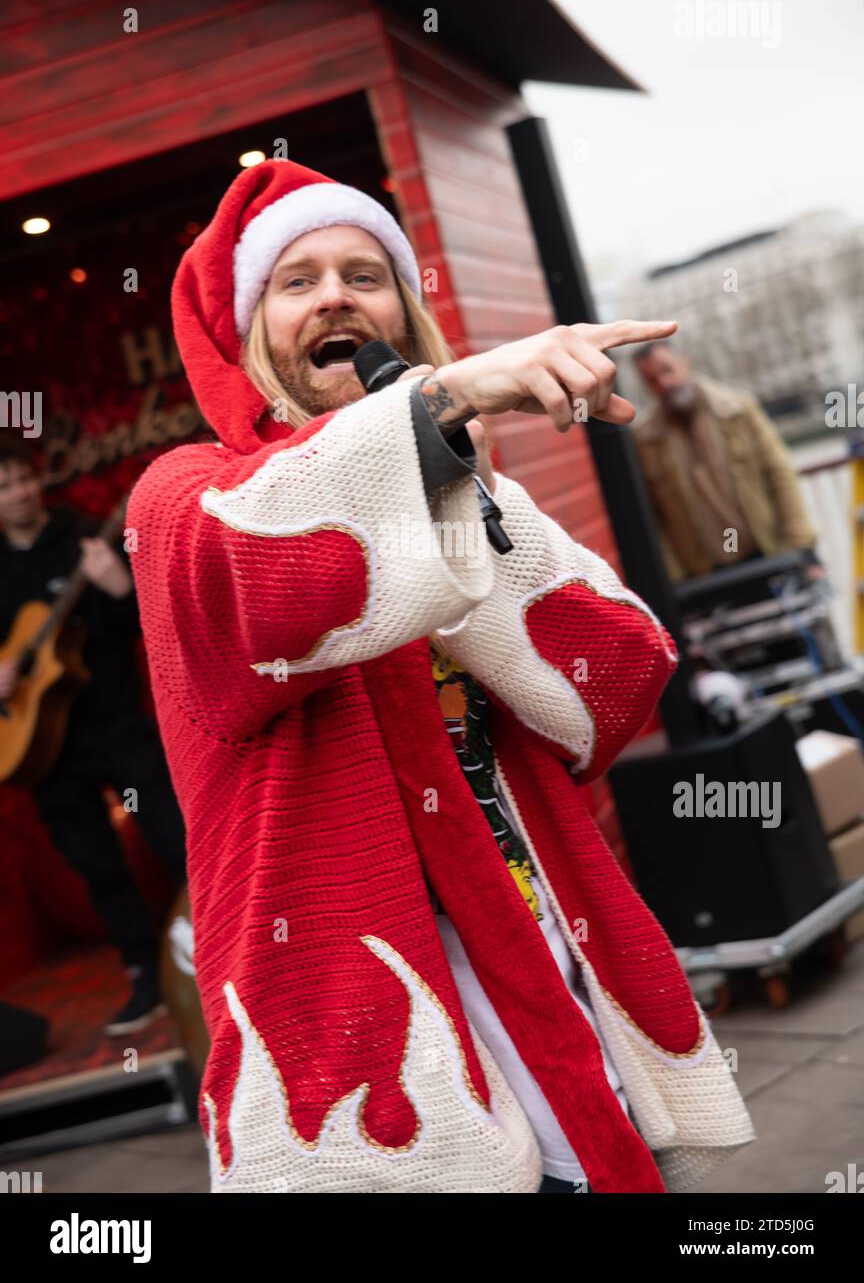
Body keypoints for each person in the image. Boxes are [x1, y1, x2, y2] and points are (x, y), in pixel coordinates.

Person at [126, 159, 755, 1193]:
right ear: (248, 336)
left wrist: (456, 483)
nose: (336, 295)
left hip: (538, 959)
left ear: (406, 318)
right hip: (357, 1028)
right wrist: (443, 403)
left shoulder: (477, 489)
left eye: (366, 274)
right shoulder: (185, 497)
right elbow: (260, 573)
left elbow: (620, 683)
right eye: (297, 281)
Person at [0, 434, 186, 1034]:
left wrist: (118, 587)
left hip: (116, 724)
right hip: (43, 747)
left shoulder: (86, 537)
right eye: (5, 487)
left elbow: (153, 627)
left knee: (174, 836)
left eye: (24, 479)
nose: (20, 492)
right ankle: (143, 975)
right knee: (95, 863)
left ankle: (218, 950)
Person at [631, 340, 820, 582]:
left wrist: (801, 547)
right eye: (651, 380)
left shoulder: (739, 410)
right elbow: (653, 516)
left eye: (667, 370)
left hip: (769, 553)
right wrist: (674, 577)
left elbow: (780, 473)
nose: (664, 384)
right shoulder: (645, 439)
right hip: (706, 576)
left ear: (684, 363)